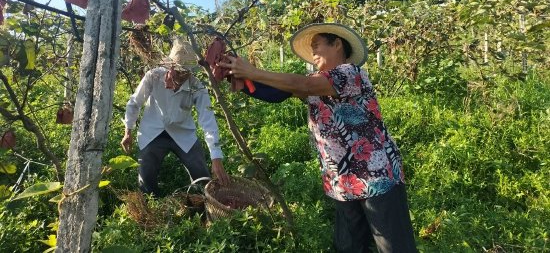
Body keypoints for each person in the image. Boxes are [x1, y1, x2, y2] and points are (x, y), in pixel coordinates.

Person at [219, 23, 417, 252]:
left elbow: (301, 84)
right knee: (348, 247)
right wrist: (237, 76)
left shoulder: (351, 73)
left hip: (376, 175)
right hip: (343, 181)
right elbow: (275, 93)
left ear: (337, 44)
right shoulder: (315, 80)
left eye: (317, 45)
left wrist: (252, 71)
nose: (312, 52)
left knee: (394, 247)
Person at [121, 37, 230, 197]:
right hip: (153, 132)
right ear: (170, 65)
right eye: (178, 70)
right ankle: (151, 205)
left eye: (186, 72)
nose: (181, 75)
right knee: (146, 175)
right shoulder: (153, 77)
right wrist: (128, 131)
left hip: (183, 133)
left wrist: (216, 157)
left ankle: (204, 203)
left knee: (201, 175)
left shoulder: (196, 86)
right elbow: (134, 102)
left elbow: (208, 120)